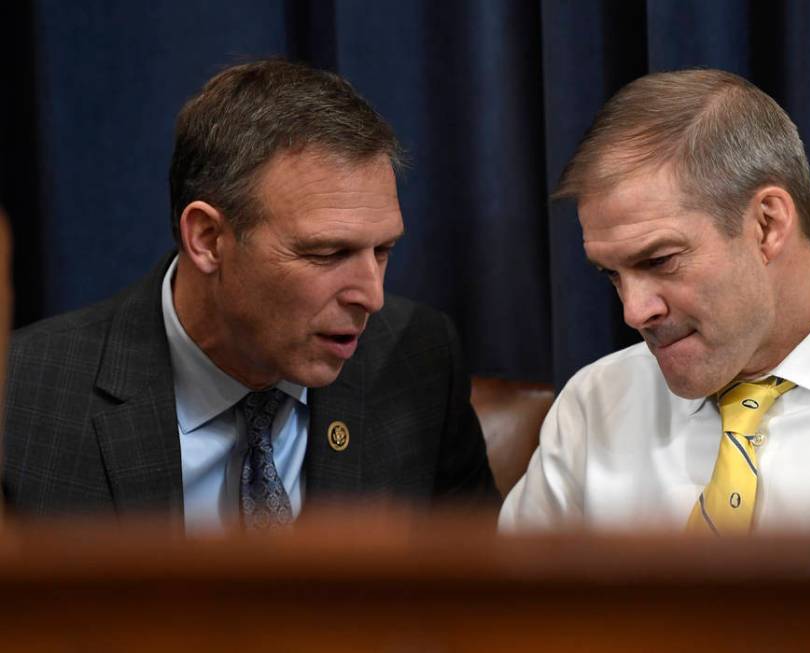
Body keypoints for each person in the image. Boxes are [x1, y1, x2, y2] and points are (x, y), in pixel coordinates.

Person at [3, 60, 499, 532]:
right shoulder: (23, 398)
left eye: (383, 250)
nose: (372, 296)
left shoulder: (416, 361)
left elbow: (481, 605)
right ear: (208, 239)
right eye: (327, 253)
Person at [500, 69, 810, 534]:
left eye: (660, 260)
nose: (633, 311)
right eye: (612, 275)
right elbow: (510, 611)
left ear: (767, 225)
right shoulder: (595, 403)